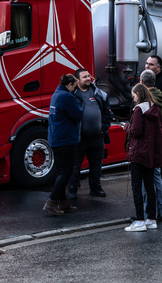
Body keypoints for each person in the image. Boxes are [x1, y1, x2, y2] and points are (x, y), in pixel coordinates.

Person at [122, 83, 162, 232]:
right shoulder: (154, 108)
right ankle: (151, 219)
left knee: (136, 187)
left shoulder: (139, 109)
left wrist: (126, 127)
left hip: (138, 153)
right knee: (149, 186)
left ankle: (139, 221)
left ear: (138, 94)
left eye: (133, 95)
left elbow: (136, 131)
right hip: (150, 152)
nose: (133, 98)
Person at [68, 68, 112, 199]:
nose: (88, 78)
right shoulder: (72, 95)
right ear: (77, 80)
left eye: (89, 76)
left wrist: (103, 128)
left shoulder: (99, 93)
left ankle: (95, 187)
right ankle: (72, 189)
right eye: (85, 77)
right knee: (75, 165)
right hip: (79, 138)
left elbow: (108, 113)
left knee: (96, 164)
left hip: (97, 137)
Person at [43, 74, 83, 216]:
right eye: (73, 86)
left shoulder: (57, 94)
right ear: (69, 85)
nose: (74, 89)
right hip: (65, 139)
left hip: (56, 138)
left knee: (60, 171)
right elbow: (78, 114)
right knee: (66, 172)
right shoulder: (67, 96)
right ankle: (52, 201)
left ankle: (62, 202)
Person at [139, 69, 162, 222]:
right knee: (157, 178)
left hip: (150, 143)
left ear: (141, 82)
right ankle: (161, 211)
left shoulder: (146, 100)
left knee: (147, 179)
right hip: (161, 141)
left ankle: (147, 212)